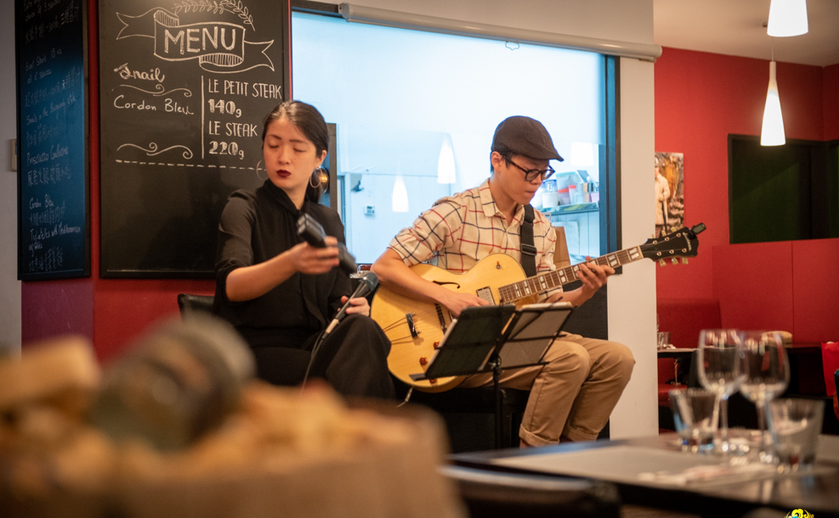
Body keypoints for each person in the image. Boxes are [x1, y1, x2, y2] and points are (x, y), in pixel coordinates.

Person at [371, 116, 634, 446]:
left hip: (518, 339)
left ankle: (573, 453)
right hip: (463, 347)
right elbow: (386, 266)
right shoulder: (457, 212)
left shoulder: (539, 227)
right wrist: (448, 298)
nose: (537, 181)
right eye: (529, 171)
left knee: (618, 358)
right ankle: (532, 465)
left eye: (544, 172)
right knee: (570, 358)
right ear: (497, 160)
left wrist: (585, 291)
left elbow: (548, 303)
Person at [213, 100, 394, 399]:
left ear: (319, 157)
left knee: (364, 329)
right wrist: (291, 262)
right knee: (349, 372)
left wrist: (353, 308)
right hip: (254, 352)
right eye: (274, 145)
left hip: (315, 345)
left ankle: (347, 437)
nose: (284, 158)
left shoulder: (328, 220)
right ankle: (367, 437)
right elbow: (231, 285)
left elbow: (337, 302)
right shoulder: (243, 208)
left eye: (297, 149)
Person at [655, 157, 671, 237]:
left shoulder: (663, 181)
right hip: (650, 216)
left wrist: (662, 196)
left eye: (656, 167)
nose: (654, 169)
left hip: (658, 215)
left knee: (656, 238)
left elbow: (667, 192)